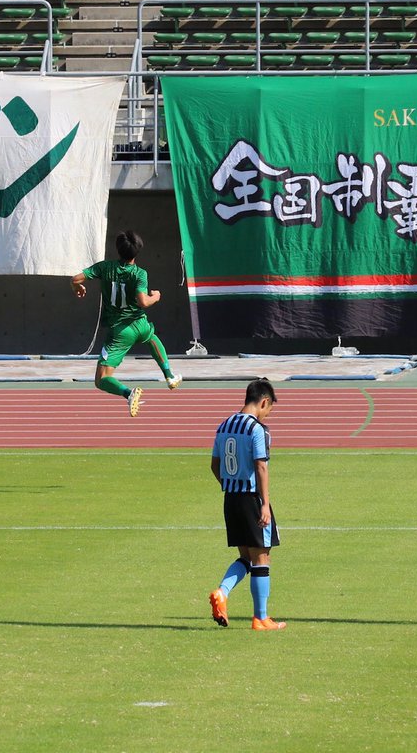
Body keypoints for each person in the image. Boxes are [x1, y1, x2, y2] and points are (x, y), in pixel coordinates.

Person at [71, 230, 181, 417]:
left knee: (101, 379)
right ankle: (169, 376)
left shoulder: (105, 267)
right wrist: (156, 296)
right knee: (151, 337)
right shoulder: (140, 274)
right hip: (140, 324)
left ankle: (128, 393)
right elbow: (144, 302)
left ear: (118, 249)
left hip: (120, 331)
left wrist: (78, 287)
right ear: (137, 251)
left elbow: (76, 279)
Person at [207, 379, 285, 631]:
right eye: (269, 408)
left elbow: (214, 465)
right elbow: (261, 466)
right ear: (264, 401)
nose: (268, 413)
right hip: (252, 499)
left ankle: (222, 591)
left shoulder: (224, 425)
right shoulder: (257, 429)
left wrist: (228, 484)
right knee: (262, 557)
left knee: (245, 557)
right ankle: (261, 618)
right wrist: (265, 504)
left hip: (230, 500)